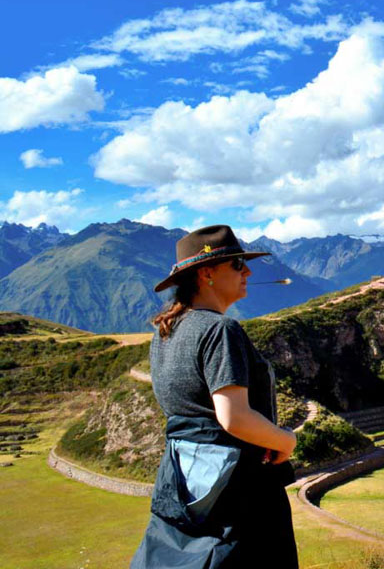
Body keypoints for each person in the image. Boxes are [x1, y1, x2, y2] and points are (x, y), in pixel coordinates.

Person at [131, 225, 298, 568]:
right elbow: (233, 417)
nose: (248, 271)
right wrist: (286, 440)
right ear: (207, 273)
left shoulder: (167, 330)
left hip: (184, 479)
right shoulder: (221, 329)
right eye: (237, 264)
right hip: (239, 489)